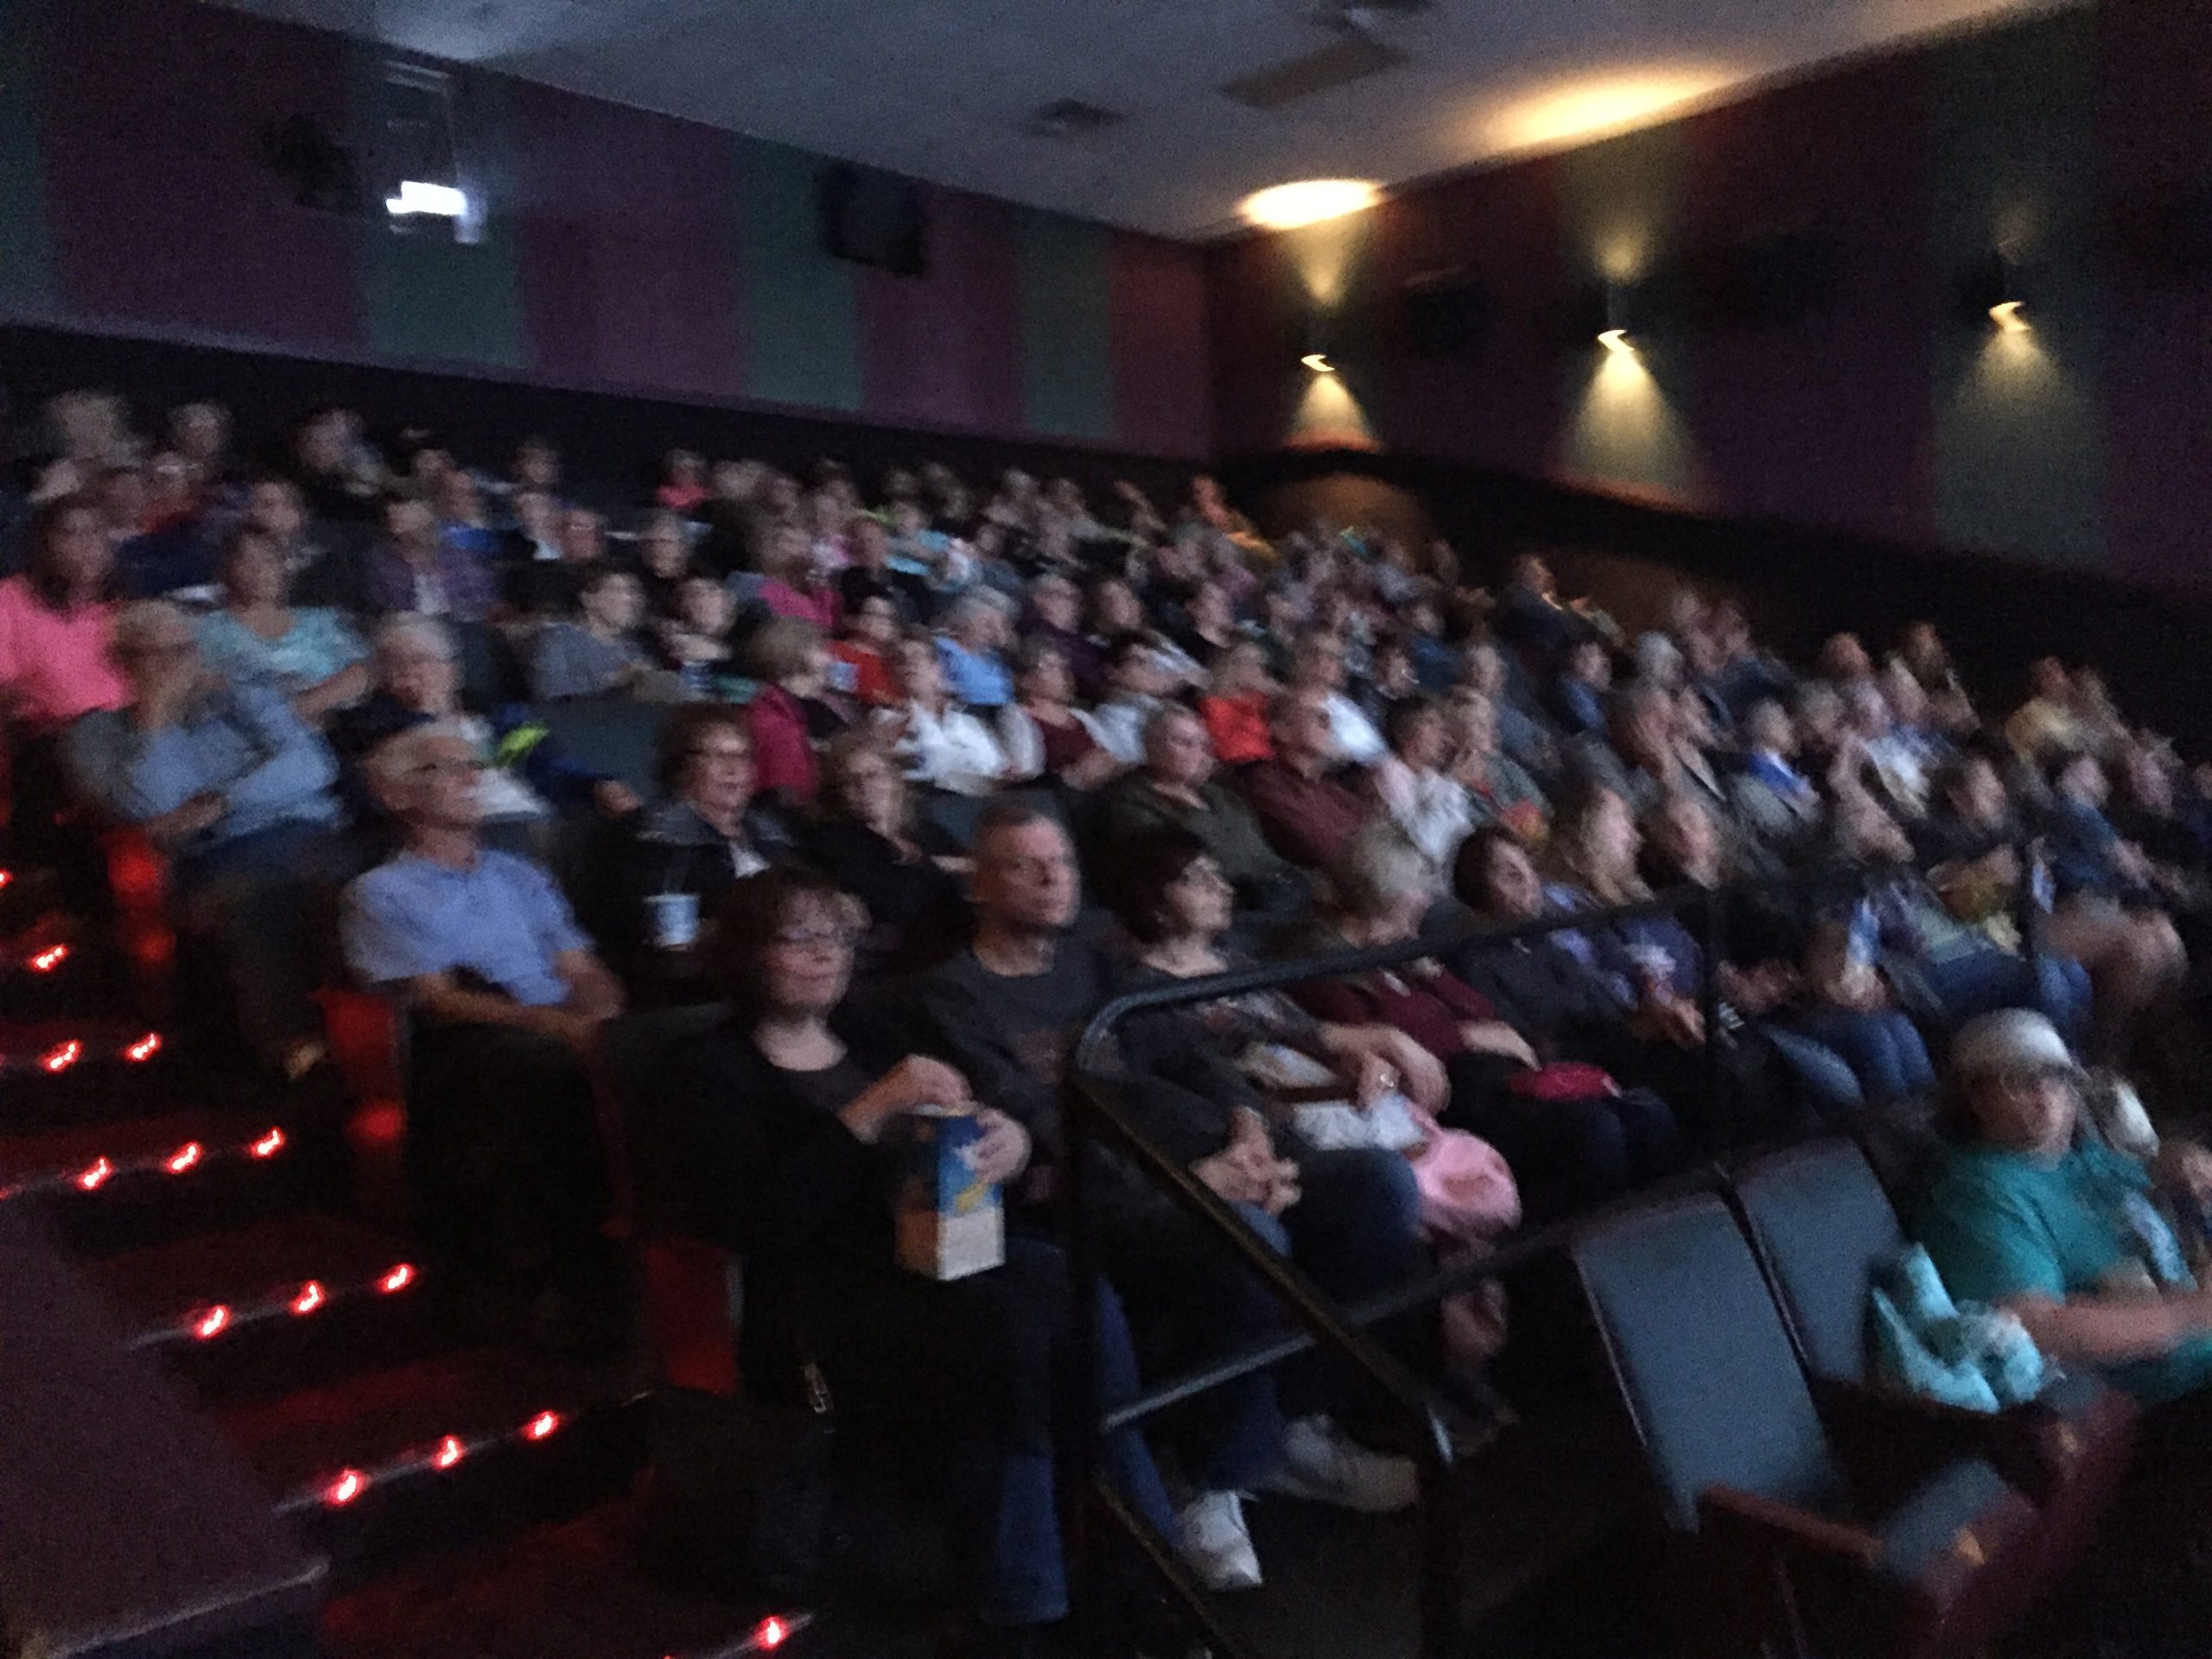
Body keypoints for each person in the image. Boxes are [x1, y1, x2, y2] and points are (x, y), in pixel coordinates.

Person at [668, 867, 1176, 1649]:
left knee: (1076, 1293)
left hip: (941, 1257)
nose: (824, 953)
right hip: (826, 1294)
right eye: (797, 936)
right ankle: (1029, 1606)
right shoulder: (711, 1070)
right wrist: (871, 1108)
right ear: (746, 953)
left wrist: (1011, 1144)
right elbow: (764, 1223)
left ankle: (1144, 1574)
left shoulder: (871, 1032)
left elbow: (966, 1128)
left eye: (836, 935)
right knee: (1015, 1334)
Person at [341, 722, 626, 1345]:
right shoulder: (382, 892)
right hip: (473, 1042)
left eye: (473, 765)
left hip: (559, 1021)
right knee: (551, 1074)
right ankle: (569, 1282)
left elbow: (580, 967)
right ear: (397, 795)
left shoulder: (519, 873)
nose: (471, 778)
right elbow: (442, 1002)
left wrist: (603, 1015)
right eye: (447, 768)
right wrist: (553, 1024)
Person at [1289, 823, 1681, 1219]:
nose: (1413, 930)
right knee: (1598, 1129)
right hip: (1457, 1097)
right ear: (1376, 907)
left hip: (1506, 1078)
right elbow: (1376, 1040)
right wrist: (1467, 1037)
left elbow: (1480, 1010)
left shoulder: (1397, 953)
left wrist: (1433, 975)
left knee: (1647, 1113)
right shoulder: (1329, 971)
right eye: (1407, 916)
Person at [66, 601, 347, 1075]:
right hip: (214, 857)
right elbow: (148, 807)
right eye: (155, 654)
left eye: (183, 649)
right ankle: (297, 1052)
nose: (174, 664)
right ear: (122, 661)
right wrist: (155, 718)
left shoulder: (243, 700)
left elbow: (314, 766)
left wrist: (222, 801)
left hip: (309, 833)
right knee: (258, 898)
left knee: (361, 885)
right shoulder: (96, 734)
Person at [1916, 1011, 2212, 1407]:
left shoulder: (2085, 1158)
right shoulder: (1978, 1193)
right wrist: (2190, 1315)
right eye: (2016, 1079)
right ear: (1975, 1098)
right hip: (2173, 1395)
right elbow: (2035, 1327)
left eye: (2056, 1075)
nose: (2044, 1091)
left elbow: (2156, 1185)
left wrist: (2177, 1162)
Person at [1099, 707, 1307, 929]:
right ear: (1151, 747)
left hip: (1280, 890)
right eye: (1184, 743)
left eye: (1203, 745)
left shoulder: (1218, 794)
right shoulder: (1133, 803)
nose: (1198, 753)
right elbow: (1175, 868)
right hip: (1230, 909)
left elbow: (1261, 850)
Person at [804, 731, 968, 972]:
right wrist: (940, 865)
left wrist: (921, 865)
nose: (864, 786)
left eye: (873, 775)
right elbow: (891, 904)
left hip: (958, 941)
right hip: (904, 958)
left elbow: (973, 874)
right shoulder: (833, 842)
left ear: (893, 779)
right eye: (850, 781)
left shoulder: (925, 831)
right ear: (837, 793)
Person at [196, 525, 369, 725]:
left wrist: (302, 707)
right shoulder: (210, 629)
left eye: (269, 560)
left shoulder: (321, 621)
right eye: (247, 560)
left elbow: (362, 672)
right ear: (228, 569)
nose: (259, 570)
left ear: (282, 568)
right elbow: (207, 689)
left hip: (338, 728)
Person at [1238, 689, 1372, 873]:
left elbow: (1374, 830)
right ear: (1283, 731)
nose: (1328, 723)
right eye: (1318, 716)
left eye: (1328, 717)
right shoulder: (1267, 782)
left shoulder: (1329, 786)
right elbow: (1322, 848)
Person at [882, 634, 1007, 799]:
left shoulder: (969, 721)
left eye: (917, 657)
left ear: (936, 669)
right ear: (892, 675)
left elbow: (996, 765)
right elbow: (927, 765)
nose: (910, 663)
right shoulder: (885, 720)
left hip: (987, 797)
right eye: (900, 660)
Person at [995, 638, 1116, 790]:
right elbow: (1025, 776)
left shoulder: (1080, 716)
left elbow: (1109, 754)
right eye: (1051, 667)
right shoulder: (1015, 716)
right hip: (1058, 795)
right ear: (1024, 680)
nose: (1063, 674)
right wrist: (1074, 774)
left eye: (1063, 666)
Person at [745, 616, 841, 808]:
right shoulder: (773, 716)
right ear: (796, 652)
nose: (831, 660)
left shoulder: (815, 707)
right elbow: (784, 792)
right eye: (820, 649)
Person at [1368, 697, 1473, 869]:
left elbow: (1461, 830)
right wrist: (1453, 783)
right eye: (1431, 723)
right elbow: (1422, 843)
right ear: (1403, 732)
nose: (1442, 736)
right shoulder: (1389, 772)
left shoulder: (1430, 777)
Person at [364, 495, 497, 621]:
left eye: (421, 530)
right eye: (401, 534)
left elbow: (480, 599)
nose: (414, 539)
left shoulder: (459, 554)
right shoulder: (384, 564)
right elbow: (385, 612)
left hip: (465, 625)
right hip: (412, 628)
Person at [531, 567, 654, 701]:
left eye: (632, 591)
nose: (629, 599)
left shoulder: (633, 649)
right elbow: (553, 694)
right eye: (616, 590)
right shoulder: (560, 640)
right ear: (588, 599)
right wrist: (612, 681)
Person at [1200, 637, 1274, 766]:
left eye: (1260, 663)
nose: (1255, 669)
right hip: (1239, 767)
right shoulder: (1214, 706)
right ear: (1229, 666)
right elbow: (1227, 750)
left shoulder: (1268, 703)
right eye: (1247, 662)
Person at [936, 593, 1015, 711]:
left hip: (1004, 713)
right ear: (963, 621)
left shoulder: (994, 657)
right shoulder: (945, 650)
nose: (992, 631)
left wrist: (1003, 640)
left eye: (997, 626)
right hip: (967, 713)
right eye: (986, 624)